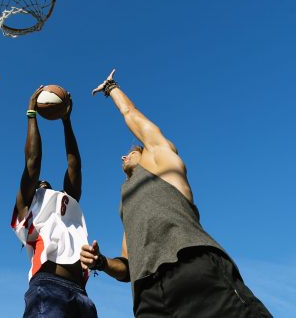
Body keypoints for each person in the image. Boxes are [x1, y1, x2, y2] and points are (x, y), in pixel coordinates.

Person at [80, 69, 272, 317]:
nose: (123, 156)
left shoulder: (163, 162)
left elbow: (130, 114)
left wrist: (111, 88)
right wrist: (102, 263)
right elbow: (127, 267)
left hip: (192, 266)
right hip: (147, 296)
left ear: (145, 152)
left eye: (130, 151)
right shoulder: (126, 202)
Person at [12, 87, 98, 318]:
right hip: (48, 287)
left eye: (44, 181)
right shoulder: (27, 206)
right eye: (38, 181)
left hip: (81, 293)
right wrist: (31, 114)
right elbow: (32, 162)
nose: (42, 181)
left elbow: (74, 165)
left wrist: (66, 121)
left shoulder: (66, 200)